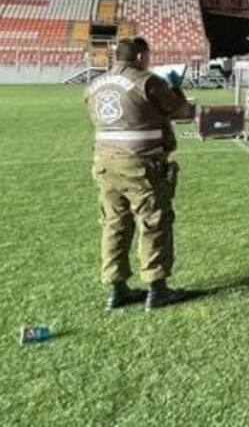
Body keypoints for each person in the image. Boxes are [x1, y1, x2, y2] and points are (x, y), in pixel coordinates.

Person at [84, 37, 194, 310]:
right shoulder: (148, 81)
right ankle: (157, 288)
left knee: (114, 223)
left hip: (104, 162)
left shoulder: (94, 85)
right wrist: (177, 89)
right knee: (154, 220)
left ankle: (116, 288)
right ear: (141, 56)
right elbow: (182, 113)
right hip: (139, 164)